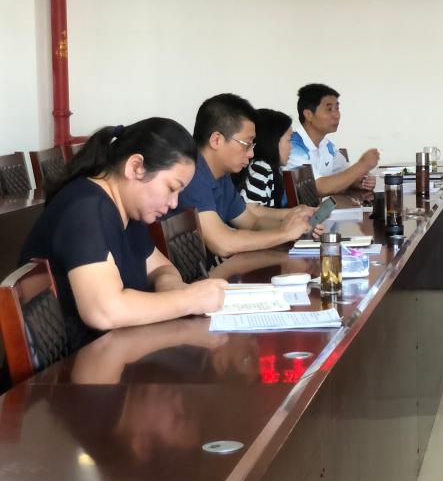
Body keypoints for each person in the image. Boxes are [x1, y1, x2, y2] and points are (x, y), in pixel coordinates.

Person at [18, 118, 226, 346]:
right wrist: (189, 300)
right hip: (72, 364)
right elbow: (104, 311)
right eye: (171, 188)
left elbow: (160, 268)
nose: (174, 202)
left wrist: (171, 286)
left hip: (110, 349)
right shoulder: (85, 209)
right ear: (135, 167)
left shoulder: (127, 211)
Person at [170, 93, 318, 258]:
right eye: (246, 144)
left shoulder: (221, 175)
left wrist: (298, 224)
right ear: (216, 140)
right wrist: (284, 234)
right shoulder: (193, 175)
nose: (251, 153)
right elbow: (223, 244)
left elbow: (252, 222)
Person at [287, 83, 380, 195]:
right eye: (329, 109)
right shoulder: (291, 147)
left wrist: (361, 181)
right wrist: (362, 165)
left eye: (337, 108)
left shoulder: (326, 145)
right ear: (308, 114)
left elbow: (345, 175)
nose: (336, 115)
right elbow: (318, 188)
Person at [235, 108, 292, 208]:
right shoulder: (261, 167)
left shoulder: (272, 169)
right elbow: (251, 210)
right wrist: (290, 214)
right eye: (289, 140)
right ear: (273, 141)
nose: (291, 147)